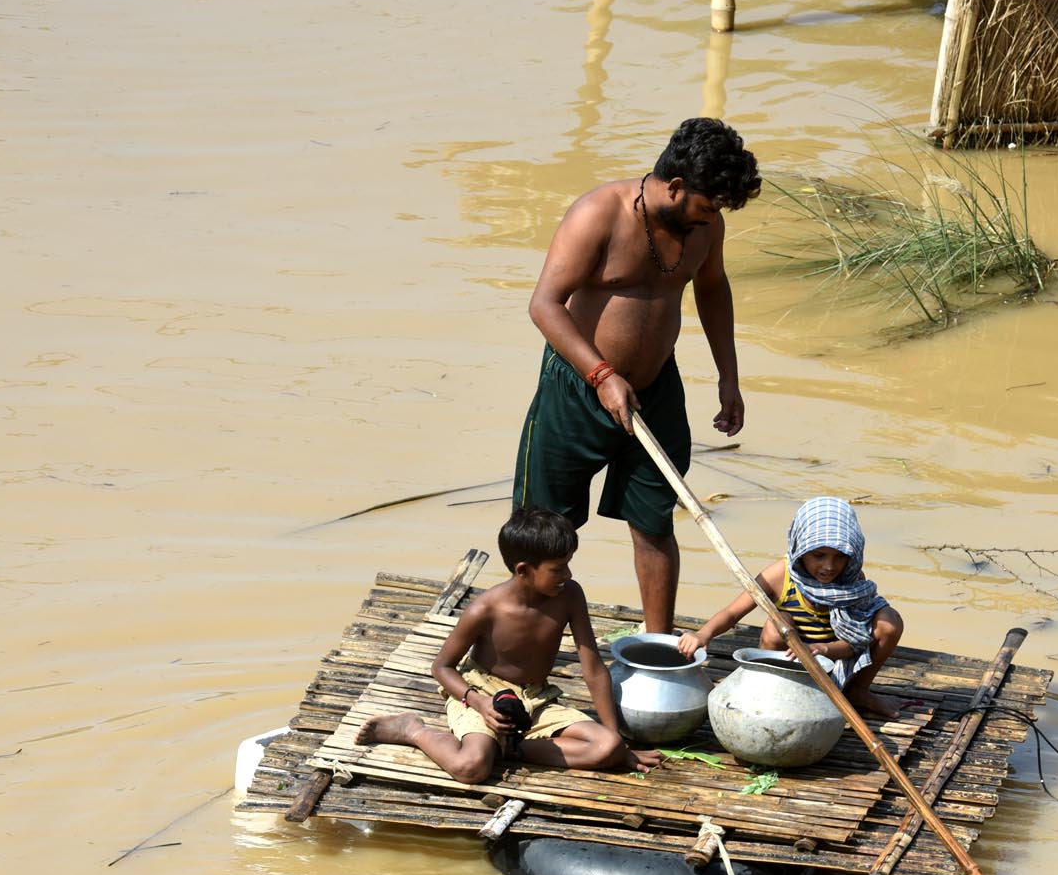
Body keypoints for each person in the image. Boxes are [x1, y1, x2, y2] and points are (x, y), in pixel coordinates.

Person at [517, 118, 762, 633]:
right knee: (545, 532)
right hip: (578, 388)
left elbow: (713, 290)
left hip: (655, 390)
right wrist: (602, 374)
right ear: (675, 187)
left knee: (654, 521)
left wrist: (728, 377)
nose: (711, 219)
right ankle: (530, 639)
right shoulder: (597, 214)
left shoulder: (706, 227)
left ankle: (656, 646)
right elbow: (544, 305)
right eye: (706, 206)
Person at [355, 508, 661, 781]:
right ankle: (413, 730)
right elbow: (442, 667)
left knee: (606, 747)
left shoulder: (570, 595)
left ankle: (510, 747)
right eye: (557, 568)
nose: (567, 575)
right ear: (523, 570)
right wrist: (480, 704)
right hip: (484, 694)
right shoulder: (485, 609)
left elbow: (592, 667)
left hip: (536, 699)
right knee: (471, 767)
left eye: (568, 565)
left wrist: (618, 743)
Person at [677, 497, 906, 719]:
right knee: (778, 622)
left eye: (840, 557)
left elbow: (855, 643)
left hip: (829, 657)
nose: (829, 566)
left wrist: (822, 649)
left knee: (889, 621)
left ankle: (857, 692)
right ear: (801, 548)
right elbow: (732, 612)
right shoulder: (780, 575)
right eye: (819, 555)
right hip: (782, 657)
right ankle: (770, 689)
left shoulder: (851, 580)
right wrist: (702, 634)